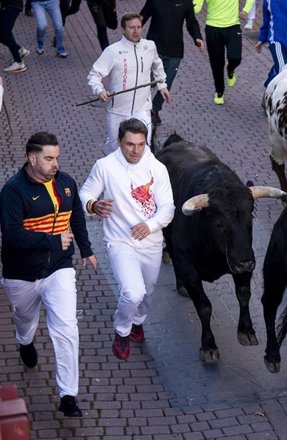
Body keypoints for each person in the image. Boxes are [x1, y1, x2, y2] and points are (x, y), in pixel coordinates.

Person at [0, 132, 98, 417]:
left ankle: (68, 395)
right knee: (24, 318)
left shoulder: (66, 183)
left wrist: (85, 249)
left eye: (57, 157)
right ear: (32, 159)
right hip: (21, 274)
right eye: (49, 158)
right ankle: (24, 340)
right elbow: (13, 235)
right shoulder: (12, 191)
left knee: (67, 328)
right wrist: (51, 241)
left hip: (59, 268)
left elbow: (76, 215)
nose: (55, 164)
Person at [79, 119, 175, 361]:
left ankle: (137, 322)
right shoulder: (105, 166)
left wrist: (150, 225)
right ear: (119, 142)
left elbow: (168, 208)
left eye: (141, 144)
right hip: (119, 241)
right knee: (133, 292)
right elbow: (85, 194)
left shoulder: (158, 168)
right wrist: (93, 205)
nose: (136, 151)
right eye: (130, 144)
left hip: (151, 242)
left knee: (147, 292)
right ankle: (122, 331)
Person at [87, 12, 169, 154]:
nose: (136, 31)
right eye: (131, 27)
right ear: (123, 29)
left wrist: (162, 86)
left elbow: (158, 66)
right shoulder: (112, 51)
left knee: (144, 147)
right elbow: (94, 74)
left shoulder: (149, 46)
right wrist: (99, 90)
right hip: (118, 110)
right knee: (115, 147)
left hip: (142, 108)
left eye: (138, 27)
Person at [141, 0, 204, 124]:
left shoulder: (186, 1)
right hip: (154, 48)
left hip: (175, 51)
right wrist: (131, 32)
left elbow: (191, 22)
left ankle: (154, 109)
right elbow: (141, 18)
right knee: (148, 81)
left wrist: (197, 37)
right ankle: (139, 108)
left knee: (166, 83)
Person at [194, 0, 253, 106]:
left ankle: (230, 69)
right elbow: (197, 9)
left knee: (235, 57)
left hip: (233, 26)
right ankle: (219, 91)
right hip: (213, 28)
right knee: (216, 63)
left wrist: (246, 10)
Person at [256, 0, 287, 88]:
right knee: (283, 71)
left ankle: (269, 85)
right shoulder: (268, 1)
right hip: (276, 40)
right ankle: (283, 99)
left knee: (286, 68)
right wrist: (262, 38)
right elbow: (266, 21)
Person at [1, 0, 30, 72]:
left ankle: (18, 62)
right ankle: (19, 50)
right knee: (4, 32)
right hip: (7, 5)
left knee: (4, 33)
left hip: (12, 5)